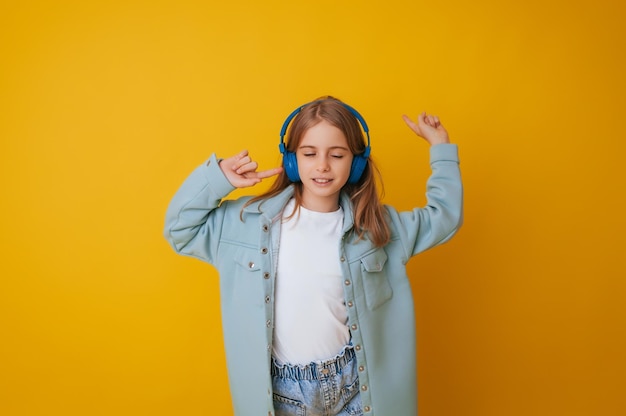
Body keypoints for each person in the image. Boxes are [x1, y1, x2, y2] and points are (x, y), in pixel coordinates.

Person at [163, 96, 463, 416]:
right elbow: (179, 229)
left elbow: (444, 217)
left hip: (355, 387)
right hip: (283, 394)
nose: (322, 165)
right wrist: (217, 178)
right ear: (291, 160)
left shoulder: (379, 229)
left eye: (337, 154)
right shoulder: (245, 224)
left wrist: (441, 149)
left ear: (356, 163)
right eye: (309, 154)